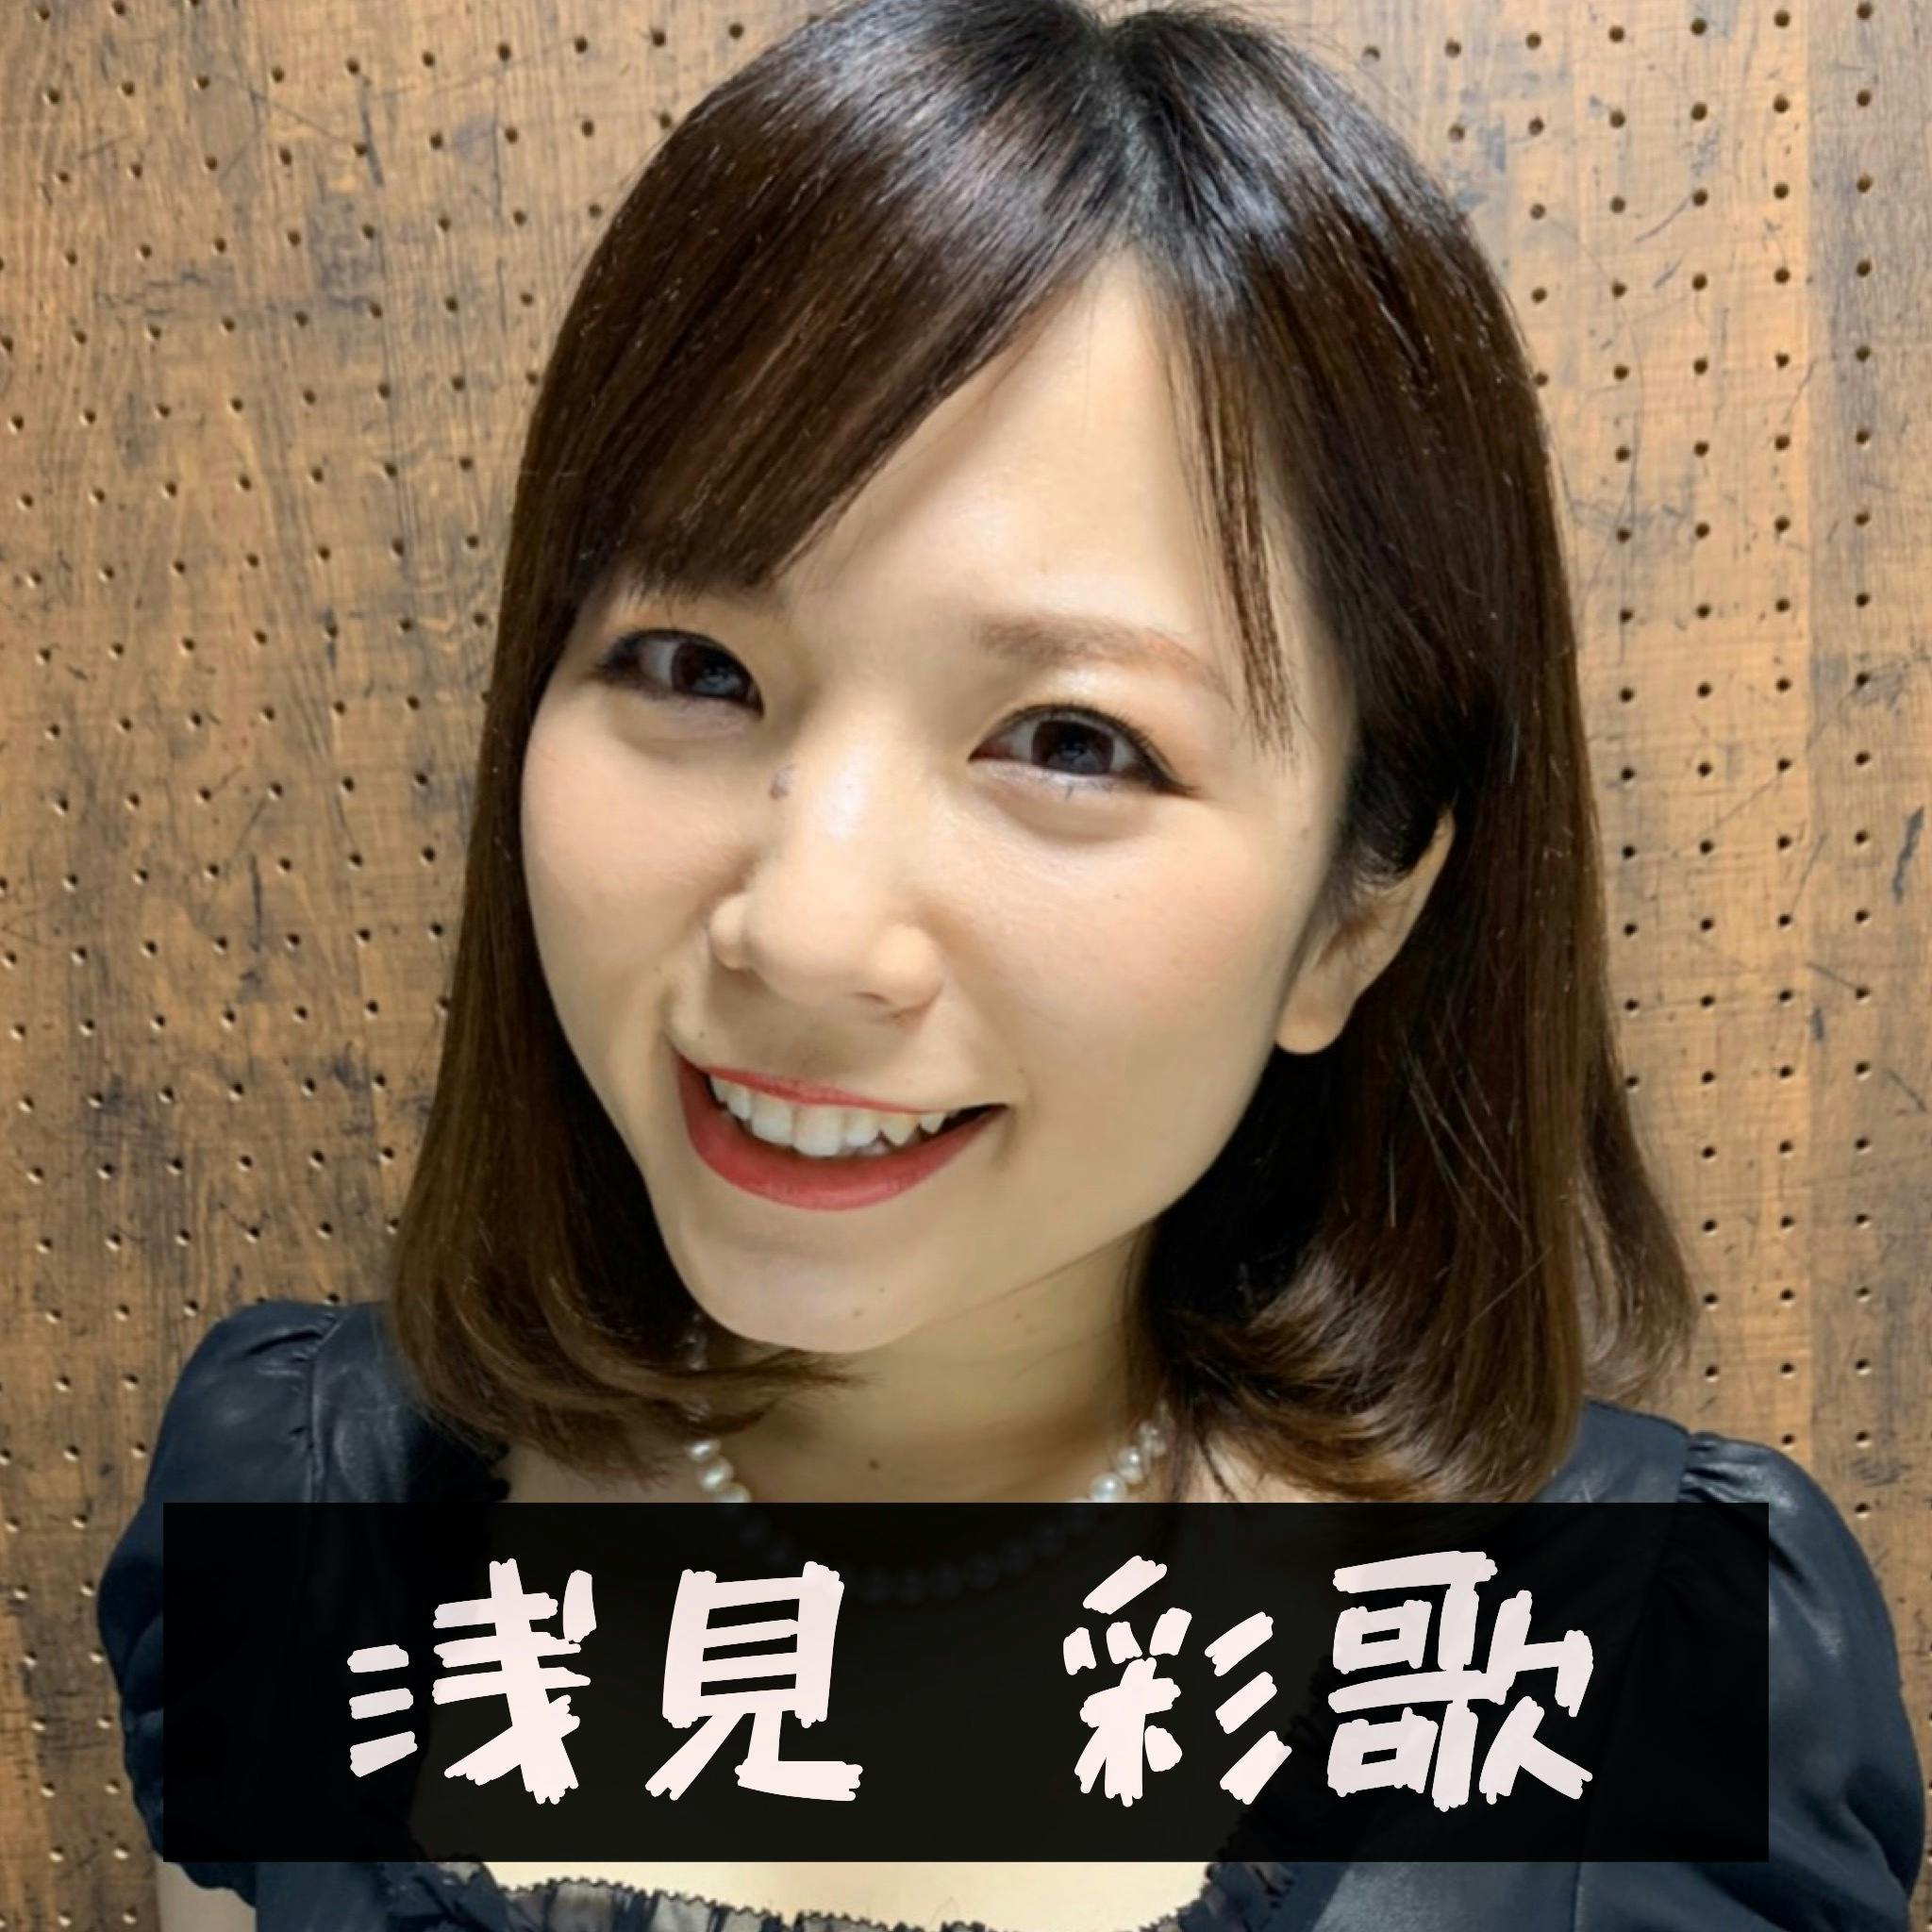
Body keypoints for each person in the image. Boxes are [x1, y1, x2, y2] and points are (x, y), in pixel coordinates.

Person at [98, 1, 1924, 1927]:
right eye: (693, 666)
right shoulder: (300, 1523)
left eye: (1069, 740)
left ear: (1357, 912)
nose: (805, 928)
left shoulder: (1641, 1690)